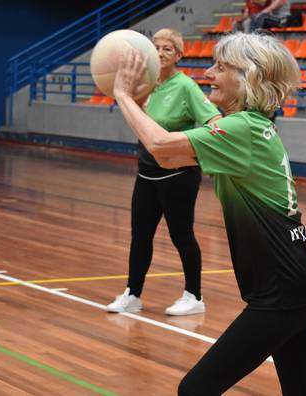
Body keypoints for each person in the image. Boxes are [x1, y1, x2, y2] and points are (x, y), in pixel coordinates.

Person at [113, 32, 306, 395]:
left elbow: (163, 148)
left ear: (248, 77)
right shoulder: (251, 126)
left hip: (282, 289)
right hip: (294, 280)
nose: (209, 72)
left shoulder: (242, 129)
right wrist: (141, 100)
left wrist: (121, 95)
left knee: (195, 389)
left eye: (221, 66)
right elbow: (172, 147)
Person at [105, 28, 221, 316]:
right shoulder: (147, 85)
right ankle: (133, 293)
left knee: (182, 235)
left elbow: (214, 122)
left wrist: (185, 147)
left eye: (167, 49)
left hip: (178, 175)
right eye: (156, 47)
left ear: (179, 56)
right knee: (140, 235)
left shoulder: (186, 87)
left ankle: (194, 296)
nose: (159, 53)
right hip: (146, 172)